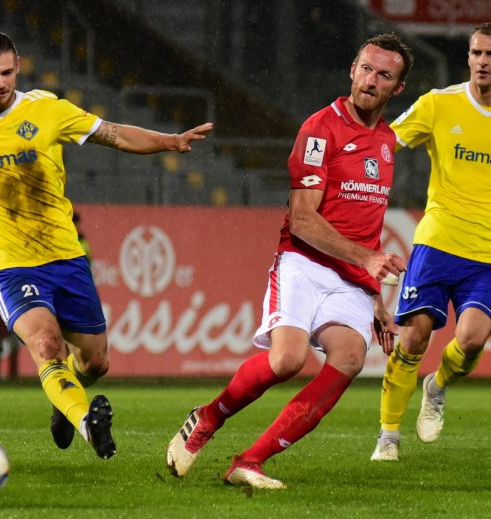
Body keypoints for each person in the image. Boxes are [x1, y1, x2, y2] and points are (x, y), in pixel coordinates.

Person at [0, 31, 213, 460]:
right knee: (46, 346)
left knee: (95, 363)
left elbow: (113, 134)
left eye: (8, 73)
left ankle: (65, 402)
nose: (0, 83)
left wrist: (169, 141)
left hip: (65, 257)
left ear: (18, 68)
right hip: (10, 264)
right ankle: (86, 420)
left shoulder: (47, 110)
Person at [167, 33, 414, 489]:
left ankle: (250, 461)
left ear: (397, 89)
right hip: (304, 261)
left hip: (353, 279)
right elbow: (302, 219)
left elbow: (366, 224)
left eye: (384, 75)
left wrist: (374, 295)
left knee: (350, 358)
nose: (370, 80)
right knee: (286, 361)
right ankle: (208, 416)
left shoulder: (386, 141)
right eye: (365, 68)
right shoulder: (321, 128)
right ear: (352, 70)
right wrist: (369, 259)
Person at [371, 23, 491, 462]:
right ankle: (388, 435)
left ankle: (436, 387)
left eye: (490, 55)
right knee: (416, 335)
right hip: (438, 240)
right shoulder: (440, 104)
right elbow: (386, 142)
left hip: (487, 255)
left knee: (473, 339)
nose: (482, 61)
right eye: (477, 52)